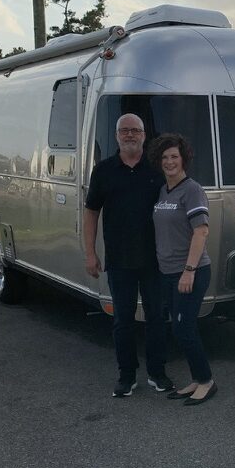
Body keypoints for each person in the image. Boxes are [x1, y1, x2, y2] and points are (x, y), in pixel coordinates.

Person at [84, 113, 174, 397]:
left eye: (135, 130)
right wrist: (90, 253)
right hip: (119, 259)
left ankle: (157, 373)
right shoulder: (104, 170)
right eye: (125, 130)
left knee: (157, 317)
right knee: (122, 319)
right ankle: (127, 375)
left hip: (155, 259)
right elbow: (91, 213)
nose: (130, 135)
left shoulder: (157, 170)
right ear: (116, 135)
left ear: (144, 135)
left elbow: (177, 207)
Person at [148, 133, 217, 406]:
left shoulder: (192, 189)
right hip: (168, 272)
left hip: (191, 272)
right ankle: (196, 379)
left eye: (174, 156)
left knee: (184, 328)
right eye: (164, 157)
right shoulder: (164, 190)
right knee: (179, 328)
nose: (169, 162)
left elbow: (201, 231)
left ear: (183, 158)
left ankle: (207, 381)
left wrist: (189, 270)